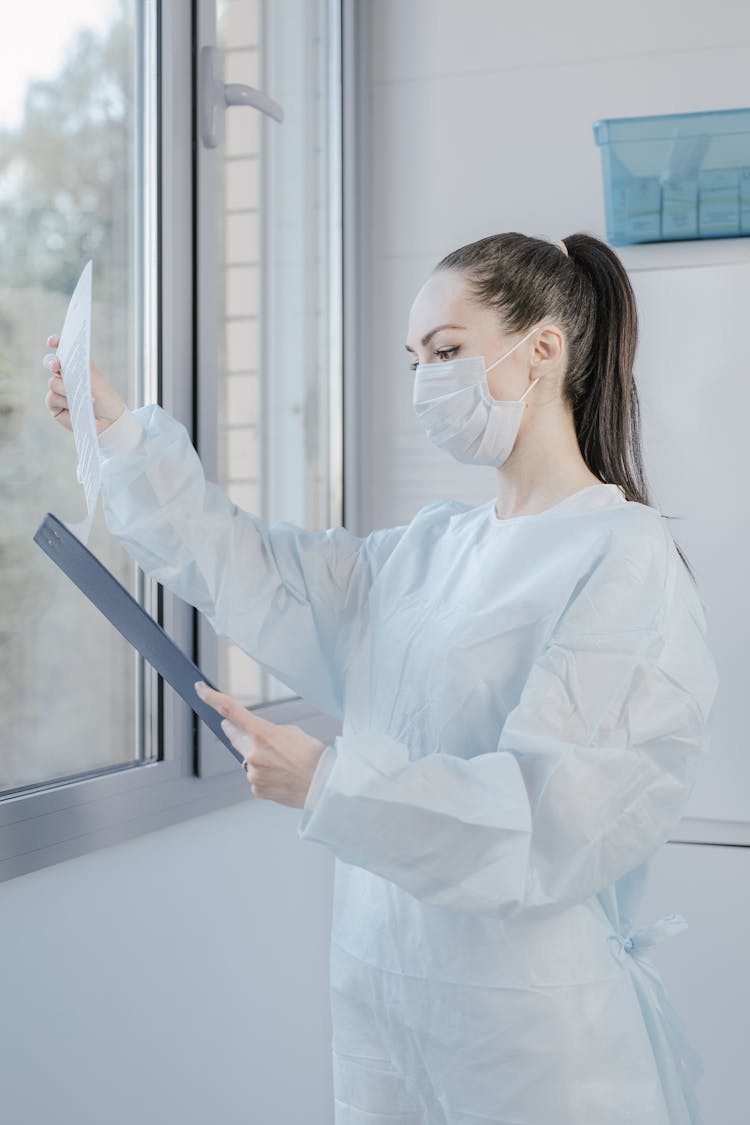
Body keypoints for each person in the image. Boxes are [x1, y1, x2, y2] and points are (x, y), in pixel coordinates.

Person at [43, 231, 719, 1125]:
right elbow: (252, 570)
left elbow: (552, 816)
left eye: (446, 352)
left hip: (533, 1040)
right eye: (415, 359)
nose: (424, 383)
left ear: (543, 351)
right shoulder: (430, 548)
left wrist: (330, 780)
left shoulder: (621, 557)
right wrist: (120, 433)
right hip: (386, 1005)